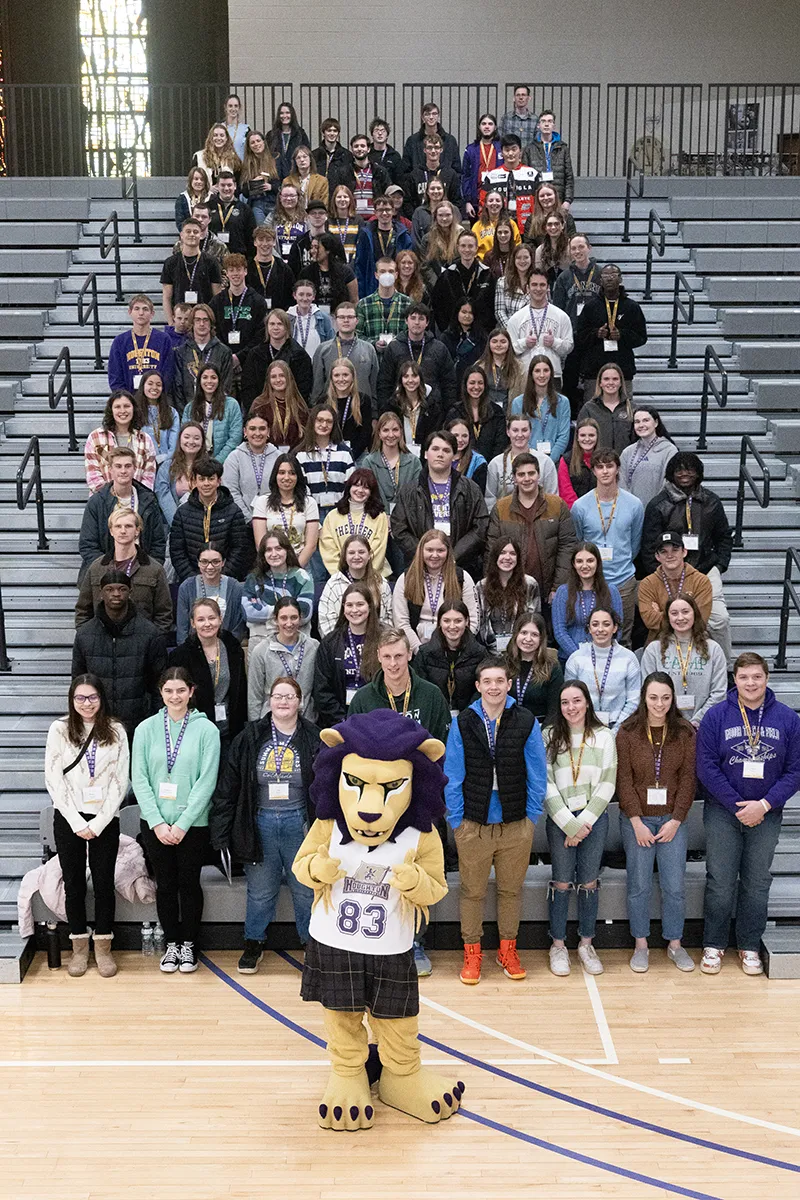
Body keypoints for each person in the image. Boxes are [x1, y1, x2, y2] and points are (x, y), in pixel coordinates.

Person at [697, 652, 800, 977]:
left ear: (766, 678)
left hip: (767, 813)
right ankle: (713, 944)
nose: (751, 683)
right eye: (744, 677)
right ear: (735, 680)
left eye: (757, 677)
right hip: (723, 812)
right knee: (720, 882)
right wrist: (737, 805)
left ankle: (749, 944)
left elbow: (795, 770)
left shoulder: (788, 718)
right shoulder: (717, 716)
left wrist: (764, 805)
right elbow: (706, 767)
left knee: (757, 883)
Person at [445, 657, 546, 984]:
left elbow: (538, 774)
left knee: (510, 892)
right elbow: (452, 774)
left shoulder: (526, 720)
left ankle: (507, 949)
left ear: (508, 684)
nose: (493, 686)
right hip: (473, 824)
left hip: (516, 824)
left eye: (499, 681)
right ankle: (472, 952)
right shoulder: (463, 723)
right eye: (487, 681)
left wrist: (531, 817)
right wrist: (458, 821)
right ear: (478, 686)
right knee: (472, 892)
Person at [212, 676, 319, 974]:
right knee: (260, 891)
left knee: (305, 890)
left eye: (289, 696)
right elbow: (228, 788)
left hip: (301, 824)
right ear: (269, 700)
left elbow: (326, 788)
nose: (283, 701)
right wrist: (220, 834)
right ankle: (253, 942)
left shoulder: (314, 737)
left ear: (300, 701)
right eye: (277, 696)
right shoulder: (249, 737)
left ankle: (311, 944)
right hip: (260, 823)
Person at [132, 666, 221, 974]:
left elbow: (207, 781)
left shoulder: (207, 731)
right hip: (154, 823)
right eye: (169, 690)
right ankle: (171, 943)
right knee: (165, 885)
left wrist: (183, 823)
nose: (175, 696)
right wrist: (157, 822)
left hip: (192, 825)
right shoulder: (145, 729)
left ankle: (189, 945)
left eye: (181, 690)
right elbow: (139, 779)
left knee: (188, 884)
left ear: (191, 692)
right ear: (161, 692)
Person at [44, 675, 129, 978]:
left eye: (92, 697)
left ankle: (104, 946)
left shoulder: (116, 730)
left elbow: (121, 780)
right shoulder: (59, 729)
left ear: (101, 698)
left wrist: (101, 821)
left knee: (105, 883)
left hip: (105, 817)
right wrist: (78, 822)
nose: (86, 703)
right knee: (74, 884)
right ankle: (79, 946)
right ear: (72, 700)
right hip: (69, 818)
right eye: (80, 698)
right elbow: (53, 779)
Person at [617, 672, 697, 974]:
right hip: (637, 820)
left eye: (665, 697)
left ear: (672, 698)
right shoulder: (626, 732)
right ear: (644, 698)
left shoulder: (686, 732)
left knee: (674, 886)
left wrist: (677, 819)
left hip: (672, 821)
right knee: (638, 885)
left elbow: (688, 779)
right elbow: (624, 779)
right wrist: (635, 820)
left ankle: (675, 944)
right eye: (653, 697)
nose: (659, 704)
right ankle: (641, 945)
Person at [544, 680, 615, 977]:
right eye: (565, 702)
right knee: (561, 881)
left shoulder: (604, 736)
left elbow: (608, 782)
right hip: (560, 819)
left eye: (576, 701)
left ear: (587, 702)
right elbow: (545, 784)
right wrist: (569, 824)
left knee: (588, 882)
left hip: (593, 820)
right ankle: (558, 945)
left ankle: (586, 943)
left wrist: (583, 823)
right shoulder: (548, 735)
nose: (570, 707)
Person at [641, 452, 733, 666]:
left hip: (705, 569)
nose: (684, 474)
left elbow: (724, 537)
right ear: (671, 474)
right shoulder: (658, 504)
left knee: (720, 620)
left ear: (699, 473)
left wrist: (719, 565)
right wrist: (663, 572)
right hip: (669, 572)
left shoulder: (712, 501)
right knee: (675, 619)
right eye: (679, 469)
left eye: (690, 469)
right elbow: (649, 546)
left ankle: (726, 668)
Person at [72, 572, 167, 741]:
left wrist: (156, 721)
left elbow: (159, 683)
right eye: (110, 589)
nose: (116, 593)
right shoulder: (84, 634)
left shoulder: (150, 633)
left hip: (139, 725)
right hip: (97, 722)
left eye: (122, 589)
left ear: (130, 591)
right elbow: (78, 683)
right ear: (101, 593)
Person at [570, 448, 644, 647]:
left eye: (609, 466)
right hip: (591, 582)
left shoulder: (634, 504)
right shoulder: (580, 506)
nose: (605, 471)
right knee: (592, 635)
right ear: (593, 470)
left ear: (617, 469)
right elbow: (579, 542)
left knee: (624, 638)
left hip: (624, 580)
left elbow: (635, 542)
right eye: (600, 467)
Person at [391, 429, 489, 579]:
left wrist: (454, 555)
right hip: (419, 569)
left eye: (446, 450)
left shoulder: (470, 489)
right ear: (425, 454)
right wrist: (425, 553)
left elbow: (480, 526)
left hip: (461, 567)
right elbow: (399, 527)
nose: (440, 454)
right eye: (435, 449)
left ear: (454, 455)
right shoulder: (409, 491)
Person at [486, 453, 576, 607]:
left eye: (531, 473)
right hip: (511, 589)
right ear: (514, 478)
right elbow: (492, 549)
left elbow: (567, 547)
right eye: (521, 474)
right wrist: (496, 586)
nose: (527, 478)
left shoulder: (557, 505)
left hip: (548, 590)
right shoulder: (501, 508)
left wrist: (558, 587)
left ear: (538, 475)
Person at [170, 598, 247, 756]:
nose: (207, 624)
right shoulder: (181, 656)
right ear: (192, 623)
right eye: (201, 619)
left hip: (230, 731)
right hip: (196, 732)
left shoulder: (232, 647)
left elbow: (241, 688)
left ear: (220, 619)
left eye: (212, 618)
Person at [75, 508, 172, 633]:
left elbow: (164, 614)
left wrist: (152, 643)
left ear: (137, 530)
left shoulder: (154, 569)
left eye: (128, 526)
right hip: (103, 644)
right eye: (118, 526)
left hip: (141, 644)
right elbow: (83, 610)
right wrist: (88, 640)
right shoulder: (96, 568)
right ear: (111, 531)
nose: (123, 531)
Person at [348, 626, 451, 741]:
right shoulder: (362, 699)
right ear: (378, 656)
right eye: (387, 657)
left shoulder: (432, 695)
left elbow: (443, 744)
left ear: (409, 654)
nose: (393, 663)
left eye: (398, 656)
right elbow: (353, 743)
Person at [78, 448, 166, 580]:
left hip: (142, 575)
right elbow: (88, 545)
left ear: (135, 468)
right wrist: (109, 572)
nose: (123, 471)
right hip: (105, 577)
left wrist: (148, 571)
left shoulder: (149, 500)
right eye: (118, 466)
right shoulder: (97, 502)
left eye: (128, 466)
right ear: (110, 469)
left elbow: (158, 543)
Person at [641, 595, 728, 727]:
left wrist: (697, 720)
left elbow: (719, 693)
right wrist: (672, 720)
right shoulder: (653, 650)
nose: (680, 618)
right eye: (674, 613)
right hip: (666, 724)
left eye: (685, 612)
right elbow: (648, 692)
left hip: (705, 725)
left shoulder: (713, 649)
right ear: (667, 617)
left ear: (695, 614)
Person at [392, 529, 478, 654]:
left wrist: (454, 646)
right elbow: (401, 622)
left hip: (454, 648)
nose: (435, 555)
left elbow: (473, 620)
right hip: (417, 650)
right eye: (430, 550)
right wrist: (419, 651)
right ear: (421, 551)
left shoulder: (462, 578)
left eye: (440, 550)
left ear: (448, 552)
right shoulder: (405, 579)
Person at [169, 457, 252, 584]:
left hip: (226, 581)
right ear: (194, 481)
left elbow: (240, 549)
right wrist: (193, 579)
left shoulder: (233, 511)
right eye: (201, 479)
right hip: (192, 581)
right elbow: (177, 551)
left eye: (211, 479)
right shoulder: (182, 512)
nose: (206, 483)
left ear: (219, 481)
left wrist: (221, 577)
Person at [576, 265, 648, 403]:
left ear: (620, 278)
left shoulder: (632, 307)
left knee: (624, 414)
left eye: (613, 274)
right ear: (600, 280)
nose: (609, 278)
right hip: (595, 371)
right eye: (605, 275)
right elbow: (580, 336)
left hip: (623, 369)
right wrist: (596, 333)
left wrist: (622, 335)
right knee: (593, 411)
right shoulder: (591, 307)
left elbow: (641, 337)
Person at [313, 583, 382, 727]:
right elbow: (322, 690)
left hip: (377, 720)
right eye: (349, 605)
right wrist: (343, 721)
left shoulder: (384, 640)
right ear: (343, 608)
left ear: (370, 606)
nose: (355, 610)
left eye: (360, 604)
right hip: (339, 722)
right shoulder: (330, 643)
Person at [564, 607, 641, 731]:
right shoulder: (576, 659)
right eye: (595, 624)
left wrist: (616, 729)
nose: (600, 629)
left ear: (615, 628)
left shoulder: (629, 659)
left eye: (606, 624)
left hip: (620, 727)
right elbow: (569, 699)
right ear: (589, 629)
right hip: (583, 726)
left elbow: (634, 700)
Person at [248, 597, 319, 722]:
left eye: (294, 617)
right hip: (271, 723)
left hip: (306, 721)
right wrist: (255, 728)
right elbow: (255, 696)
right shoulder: (261, 651)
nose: (289, 623)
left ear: (300, 618)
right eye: (283, 618)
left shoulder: (313, 647)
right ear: (276, 619)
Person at [376, 302, 457, 413]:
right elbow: (384, 383)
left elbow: (449, 384)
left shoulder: (439, 348)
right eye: (413, 318)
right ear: (406, 321)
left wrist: (449, 413)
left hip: (433, 412)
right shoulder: (394, 348)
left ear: (427, 322)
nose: (417, 322)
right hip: (400, 410)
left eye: (421, 319)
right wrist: (386, 412)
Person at [551, 542, 623, 664]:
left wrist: (600, 653)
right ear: (574, 564)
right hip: (570, 658)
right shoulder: (563, 592)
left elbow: (618, 628)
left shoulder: (611, 591)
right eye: (579, 561)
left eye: (590, 561)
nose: (585, 566)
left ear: (598, 563)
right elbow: (559, 630)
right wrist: (578, 656)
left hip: (604, 658)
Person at [637, 531, 713, 644]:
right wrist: (687, 614)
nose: (670, 555)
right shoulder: (647, 584)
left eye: (675, 550)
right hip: (659, 642)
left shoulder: (701, 581)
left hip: (694, 642)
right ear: (657, 556)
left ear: (684, 552)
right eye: (663, 552)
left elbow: (700, 619)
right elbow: (649, 620)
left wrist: (663, 613)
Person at [242, 530, 314, 645]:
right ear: (263, 554)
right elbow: (248, 612)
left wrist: (266, 615)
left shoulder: (302, 577)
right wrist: (288, 614)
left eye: (278, 548)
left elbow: (305, 613)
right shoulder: (253, 578)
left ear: (287, 551)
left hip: (296, 640)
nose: (274, 554)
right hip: (261, 641)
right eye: (268, 550)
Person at [415, 602, 484, 716]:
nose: (452, 626)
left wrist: (468, 714)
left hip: (470, 717)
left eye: (458, 621)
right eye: (446, 621)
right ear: (439, 623)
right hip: (434, 716)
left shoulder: (479, 653)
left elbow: (481, 689)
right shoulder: (425, 654)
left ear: (466, 622)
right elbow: (420, 689)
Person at [318, 533, 393, 637]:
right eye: (351, 553)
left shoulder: (381, 583)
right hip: (342, 645)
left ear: (369, 554)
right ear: (344, 556)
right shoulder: (333, 584)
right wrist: (340, 644)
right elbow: (325, 621)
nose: (356, 556)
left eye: (361, 552)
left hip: (376, 644)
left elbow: (389, 619)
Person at [319, 467, 388, 579]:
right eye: (356, 485)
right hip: (340, 578)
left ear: (372, 492)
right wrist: (343, 577)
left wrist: (364, 576)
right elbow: (329, 551)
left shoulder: (380, 517)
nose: (360, 490)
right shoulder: (333, 516)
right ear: (349, 487)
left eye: (366, 487)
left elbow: (378, 552)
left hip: (372, 577)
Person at [505, 269, 573, 383]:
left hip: (553, 375)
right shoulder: (516, 319)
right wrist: (524, 343)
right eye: (534, 285)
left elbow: (569, 346)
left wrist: (554, 342)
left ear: (548, 288)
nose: (538, 289)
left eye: (542, 285)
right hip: (525, 376)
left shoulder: (562, 316)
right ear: (527, 288)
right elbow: (509, 349)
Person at [252, 453, 319, 567]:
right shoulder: (262, 502)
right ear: (275, 475)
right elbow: (260, 544)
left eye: (292, 473)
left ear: (298, 477)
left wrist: (295, 570)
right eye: (282, 473)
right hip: (270, 566)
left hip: (300, 567)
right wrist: (276, 567)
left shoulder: (309, 503)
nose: (286, 478)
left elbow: (311, 545)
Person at [475, 535, 540, 652]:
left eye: (512, 553)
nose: (507, 557)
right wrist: (493, 647)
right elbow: (481, 623)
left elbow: (533, 620)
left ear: (518, 558)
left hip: (522, 650)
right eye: (502, 553)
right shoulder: (481, 587)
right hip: (488, 651)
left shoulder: (530, 585)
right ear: (495, 556)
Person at [84, 390, 156, 494]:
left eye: (127, 406)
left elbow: (148, 476)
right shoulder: (95, 438)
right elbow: (93, 477)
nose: (122, 411)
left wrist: (132, 497)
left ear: (133, 409)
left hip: (137, 502)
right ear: (111, 410)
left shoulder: (145, 440)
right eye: (117, 407)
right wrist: (114, 497)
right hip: (103, 501)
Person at [240, 308, 314, 409]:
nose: (275, 327)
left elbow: (304, 389)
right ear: (267, 327)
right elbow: (248, 386)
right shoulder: (255, 354)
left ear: (287, 327)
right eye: (272, 324)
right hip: (261, 409)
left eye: (280, 324)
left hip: (291, 409)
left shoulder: (300, 355)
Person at [175, 541, 247, 645]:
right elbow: (182, 628)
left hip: (227, 648)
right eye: (204, 562)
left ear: (223, 562)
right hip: (193, 650)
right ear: (198, 562)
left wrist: (228, 649)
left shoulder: (235, 587)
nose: (210, 567)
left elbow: (238, 626)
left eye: (215, 561)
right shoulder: (187, 587)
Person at [486, 413, 557, 511]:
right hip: (505, 520)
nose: (520, 435)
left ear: (530, 432)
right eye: (515, 430)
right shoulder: (496, 464)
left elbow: (552, 497)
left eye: (524, 430)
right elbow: (489, 499)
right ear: (508, 432)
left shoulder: (545, 462)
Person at [509, 354, 571, 465]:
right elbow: (516, 435)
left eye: (546, 370)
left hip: (554, 461)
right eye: (537, 371)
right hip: (526, 461)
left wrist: (549, 461)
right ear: (531, 374)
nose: (542, 375)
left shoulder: (563, 402)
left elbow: (563, 435)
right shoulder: (518, 403)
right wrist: (531, 461)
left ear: (551, 373)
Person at [311, 301, 379, 402]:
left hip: (362, 408)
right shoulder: (323, 350)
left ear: (357, 320)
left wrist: (374, 413)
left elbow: (374, 385)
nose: (346, 320)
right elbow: (317, 386)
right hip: (330, 409)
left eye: (350, 317)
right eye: (342, 317)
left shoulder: (368, 349)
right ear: (335, 320)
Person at [360, 410, 422, 520]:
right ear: (379, 433)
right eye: (386, 430)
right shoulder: (368, 462)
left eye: (395, 430)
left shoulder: (414, 462)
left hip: (407, 520)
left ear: (401, 432)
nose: (391, 435)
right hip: (376, 519)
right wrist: (384, 517)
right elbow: (367, 495)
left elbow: (417, 495)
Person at [210, 253, 269, 368]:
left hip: (251, 360)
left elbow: (260, 335)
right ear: (226, 273)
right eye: (231, 270)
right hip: (223, 359)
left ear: (245, 271)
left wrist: (240, 356)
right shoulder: (217, 302)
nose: (235, 274)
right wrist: (226, 354)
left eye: (239, 270)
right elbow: (213, 330)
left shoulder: (258, 301)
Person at [160, 218, 223, 326]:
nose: (192, 235)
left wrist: (213, 322)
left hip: (204, 322)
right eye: (188, 231)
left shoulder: (211, 262)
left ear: (201, 235)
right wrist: (171, 322)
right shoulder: (170, 262)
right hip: (180, 322)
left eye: (196, 232)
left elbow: (217, 296)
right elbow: (166, 297)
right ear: (181, 235)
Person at [221, 411, 280, 524]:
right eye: (252, 428)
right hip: (242, 523)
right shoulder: (234, 458)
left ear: (268, 432)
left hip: (275, 519)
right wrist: (249, 519)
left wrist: (273, 516)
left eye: (262, 429)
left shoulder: (279, 457)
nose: (257, 433)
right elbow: (231, 491)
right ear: (245, 432)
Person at [108, 294, 173, 394]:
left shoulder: (164, 339)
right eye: (137, 309)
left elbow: (168, 374)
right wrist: (127, 400)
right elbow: (115, 377)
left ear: (152, 314)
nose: (141, 313)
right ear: (130, 312)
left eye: (145, 309)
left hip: (157, 398)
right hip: (129, 402)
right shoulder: (120, 341)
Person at [172, 304, 234, 410]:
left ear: (211, 323)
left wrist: (216, 411)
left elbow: (226, 387)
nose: (202, 324)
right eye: (198, 320)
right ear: (192, 323)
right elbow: (177, 389)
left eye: (206, 320)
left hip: (217, 412)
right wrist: (185, 414)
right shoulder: (181, 352)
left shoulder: (224, 352)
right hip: (189, 413)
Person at [430, 230, 493, 334]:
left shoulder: (487, 274)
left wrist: (483, 331)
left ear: (476, 248)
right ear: (458, 247)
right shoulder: (447, 274)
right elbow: (438, 305)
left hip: (480, 335)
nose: (467, 250)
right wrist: (447, 331)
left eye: (470, 246)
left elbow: (491, 306)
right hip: (451, 334)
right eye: (463, 246)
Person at [505, 612, 563, 724]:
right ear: (516, 634)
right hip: (507, 727)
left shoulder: (552, 668)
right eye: (524, 633)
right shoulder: (503, 664)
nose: (528, 639)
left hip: (539, 727)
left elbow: (554, 711)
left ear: (541, 639)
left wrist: (541, 735)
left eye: (534, 635)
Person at [444, 365, 507, 463]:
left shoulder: (496, 412)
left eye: (480, 383)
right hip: (461, 466)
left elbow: (501, 443)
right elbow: (448, 440)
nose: (476, 387)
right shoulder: (455, 411)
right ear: (465, 385)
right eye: (472, 383)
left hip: (491, 465)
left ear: (485, 385)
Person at [182, 364, 243, 463]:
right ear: (199, 381)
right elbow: (185, 436)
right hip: (196, 461)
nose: (209, 381)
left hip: (224, 462)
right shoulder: (190, 407)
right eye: (205, 377)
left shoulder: (232, 405)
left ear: (219, 381)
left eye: (213, 377)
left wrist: (217, 461)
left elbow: (235, 438)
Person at [380, 361, 442, 458]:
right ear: (401, 380)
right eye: (406, 376)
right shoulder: (392, 405)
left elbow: (434, 435)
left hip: (425, 457)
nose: (410, 380)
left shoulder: (432, 406)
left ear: (420, 379)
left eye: (414, 376)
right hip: (398, 456)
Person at [482, 135, 540, 234]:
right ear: (502, 153)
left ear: (520, 152)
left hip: (527, 227)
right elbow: (483, 202)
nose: (510, 153)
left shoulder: (532, 174)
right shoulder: (492, 176)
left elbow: (539, 202)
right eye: (507, 150)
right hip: (499, 228)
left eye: (514, 149)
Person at [248, 359, 310, 448]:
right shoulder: (260, 404)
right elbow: (254, 433)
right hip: (267, 454)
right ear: (268, 380)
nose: (278, 380)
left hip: (296, 455)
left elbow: (306, 436)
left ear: (288, 378)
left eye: (282, 376)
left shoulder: (299, 404)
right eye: (273, 377)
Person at [154, 422, 205, 529]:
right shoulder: (167, 467)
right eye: (187, 437)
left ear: (202, 442)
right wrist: (178, 523)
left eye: (196, 438)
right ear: (179, 439)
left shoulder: (209, 467)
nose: (191, 442)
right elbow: (163, 496)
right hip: (175, 526)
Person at [576, 362, 635, 455]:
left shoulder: (632, 408)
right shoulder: (589, 409)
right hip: (598, 464)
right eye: (606, 379)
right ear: (600, 383)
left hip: (626, 464)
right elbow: (580, 441)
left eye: (615, 379)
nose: (611, 383)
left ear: (620, 383)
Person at [327, 186, 375, 296]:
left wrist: (351, 265)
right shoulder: (329, 221)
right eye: (339, 197)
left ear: (351, 200)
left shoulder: (358, 220)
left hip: (353, 266)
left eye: (345, 196)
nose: (342, 200)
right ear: (334, 199)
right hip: (334, 267)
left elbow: (360, 245)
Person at [355, 257, 412, 349]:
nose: (387, 275)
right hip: (372, 357)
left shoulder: (408, 303)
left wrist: (397, 343)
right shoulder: (363, 304)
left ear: (396, 275)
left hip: (399, 356)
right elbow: (357, 334)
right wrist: (373, 343)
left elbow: (412, 332)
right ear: (376, 275)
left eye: (390, 271)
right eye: (382, 271)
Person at [522, 110, 575, 207]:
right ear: (538, 125)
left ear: (554, 125)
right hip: (538, 199)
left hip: (559, 198)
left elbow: (569, 177)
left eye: (550, 121)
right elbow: (526, 179)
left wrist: (567, 201)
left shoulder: (563, 148)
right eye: (543, 121)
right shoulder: (529, 149)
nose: (546, 124)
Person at [402, 131, 462, 218]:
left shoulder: (450, 174)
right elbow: (407, 202)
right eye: (430, 147)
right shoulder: (414, 175)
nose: (433, 151)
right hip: (421, 222)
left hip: (445, 221)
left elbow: (457, 201)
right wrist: (416, 219)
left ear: (441, 150)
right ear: (424, 150)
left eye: (436, 147)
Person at [324, 358, 373, 462]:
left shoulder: (363, 400)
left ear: (352, 377)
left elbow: (366, 433)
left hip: (357, 456)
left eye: (345, 375)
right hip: (330, 455)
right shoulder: (323, 401)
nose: (341, 379)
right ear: (331, 378)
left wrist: (350, 457)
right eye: (336, 375)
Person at [299, 233, 358, 313]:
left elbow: (354, 301)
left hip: (339, 317)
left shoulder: (345, 271)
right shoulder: (306, 272)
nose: (312, 251)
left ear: (327, 250)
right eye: (311, 247)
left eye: (317, 247)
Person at [246, 225, 296, 311]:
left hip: (278, 317)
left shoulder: (284, 268)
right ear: (255, 242)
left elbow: (291, 296)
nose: (265, 244)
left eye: (268, 240)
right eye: (261, 240)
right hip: (252, 316)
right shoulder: (246, 267)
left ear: (274, 242)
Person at [462, 116, 504, 219]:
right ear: (479, 127)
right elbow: (465, 176)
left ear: (495, 127)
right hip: (476, 202)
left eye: (490, 124)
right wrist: (468, 201)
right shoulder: (471, 149)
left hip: (497, 200)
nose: (487, 127)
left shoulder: (501, 148)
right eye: (484, 124)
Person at [135, 371, 180, 465]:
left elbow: (174, 445)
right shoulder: (135, 412)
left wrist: (162, 459)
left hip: (167, 463)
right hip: (141, 463)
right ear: (143, 386)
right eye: (150, 384)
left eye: (158, 385)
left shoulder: (172, 412)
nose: (154, 388)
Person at [209, 171, 257, 257]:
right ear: (217, 187)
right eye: (223, 185)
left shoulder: (245, 209)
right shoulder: (208, 207)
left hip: (238, 257)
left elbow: (251, 238)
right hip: (213, 258)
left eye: (229, 185)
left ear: (235, 186)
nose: (226, 188)